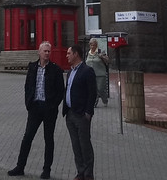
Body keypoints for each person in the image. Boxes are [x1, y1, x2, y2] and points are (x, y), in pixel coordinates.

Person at [8, 40, 64, 179]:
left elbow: (60, 91)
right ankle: (20, 166)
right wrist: (29, 103)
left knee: (48, 139)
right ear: (39, 52)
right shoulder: (33, 67)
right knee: (27, 137)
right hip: (35, 107)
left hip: (49, 109)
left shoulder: (56, 69)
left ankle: (47, 170)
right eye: (44, 51)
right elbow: (28, 86)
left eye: (48, 51)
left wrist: (53, 105)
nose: (47, 53)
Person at [63, 43, 97, 180]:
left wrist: (88, 113)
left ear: (76, 54)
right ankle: (80, 172)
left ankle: (88, 175)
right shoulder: (70, 72)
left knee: (85, 145)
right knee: (76, 146)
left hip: (81, 115)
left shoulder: (87, 71)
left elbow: (92, 93)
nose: (67, 56)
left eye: (68, 53)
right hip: (70, 114)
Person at [85, 38, 109, 105]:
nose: (92, 47)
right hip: (90, 75)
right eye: (91, 45)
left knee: (100, 89)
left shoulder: (100, 51)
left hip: (100, 74)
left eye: (94, 45)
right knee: (93, 89)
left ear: (96, 45)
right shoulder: (88, 53)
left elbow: (107, 61)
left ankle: (105, 100)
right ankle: (94, 102)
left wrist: (102, 57)